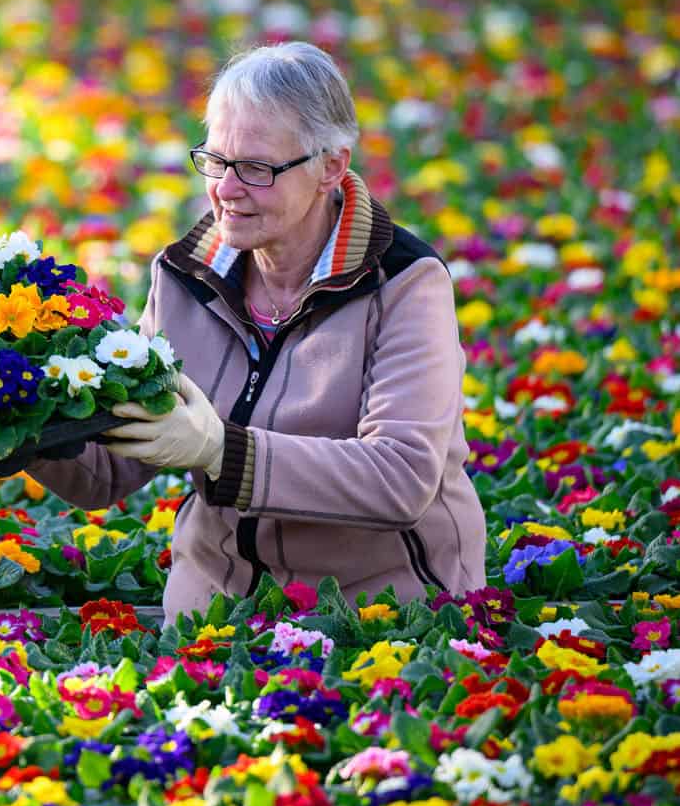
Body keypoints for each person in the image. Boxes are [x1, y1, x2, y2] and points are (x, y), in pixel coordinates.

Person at [25, 41, 486, 624]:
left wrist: (222, 451)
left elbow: (401, 478)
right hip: (212, 618)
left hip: (380, 616)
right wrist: (12, 423)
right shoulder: (183, 276)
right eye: (216, 161)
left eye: (256, 168)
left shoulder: (402, 284)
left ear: (331, 168)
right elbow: (110, 470)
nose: (226, 188)